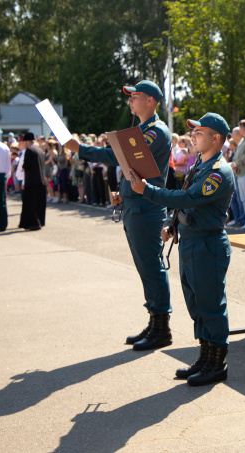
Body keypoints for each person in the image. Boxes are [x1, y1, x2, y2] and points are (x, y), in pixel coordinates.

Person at [64, 80, 172, 351]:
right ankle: (154, 321)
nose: (129, 101)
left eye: (134, 97)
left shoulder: (156, 131)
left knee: (151, 266)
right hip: (135, 205)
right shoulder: (141, 130)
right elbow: (132, 167)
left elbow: (118, 156)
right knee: (145, 266)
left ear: (150, 100)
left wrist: (81, 148)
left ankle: (162, 328)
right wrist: (122, 193)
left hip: (147, 208)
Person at [129, 112, 235, 386]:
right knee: (196, 303)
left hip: (207, 243)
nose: (193, 136)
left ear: (216, 138)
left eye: (199, 132)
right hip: (190, 239)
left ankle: (217, 362)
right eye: (194, 132)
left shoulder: (218, 171)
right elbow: (186, 201)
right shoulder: (200, 163)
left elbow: (188, 197)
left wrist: (147, 191)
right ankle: (205, 356)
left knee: (211, 304)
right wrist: (173, 225)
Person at [18, 133, 47, 231]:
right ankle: (40, 221)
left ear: (27, 141)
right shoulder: (40, 150)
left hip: (32, 181)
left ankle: (34, 223)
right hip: (41, 180)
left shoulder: (29, 150)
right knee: (39, 203)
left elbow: (26, 165)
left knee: (31, 204)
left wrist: (22, 168)